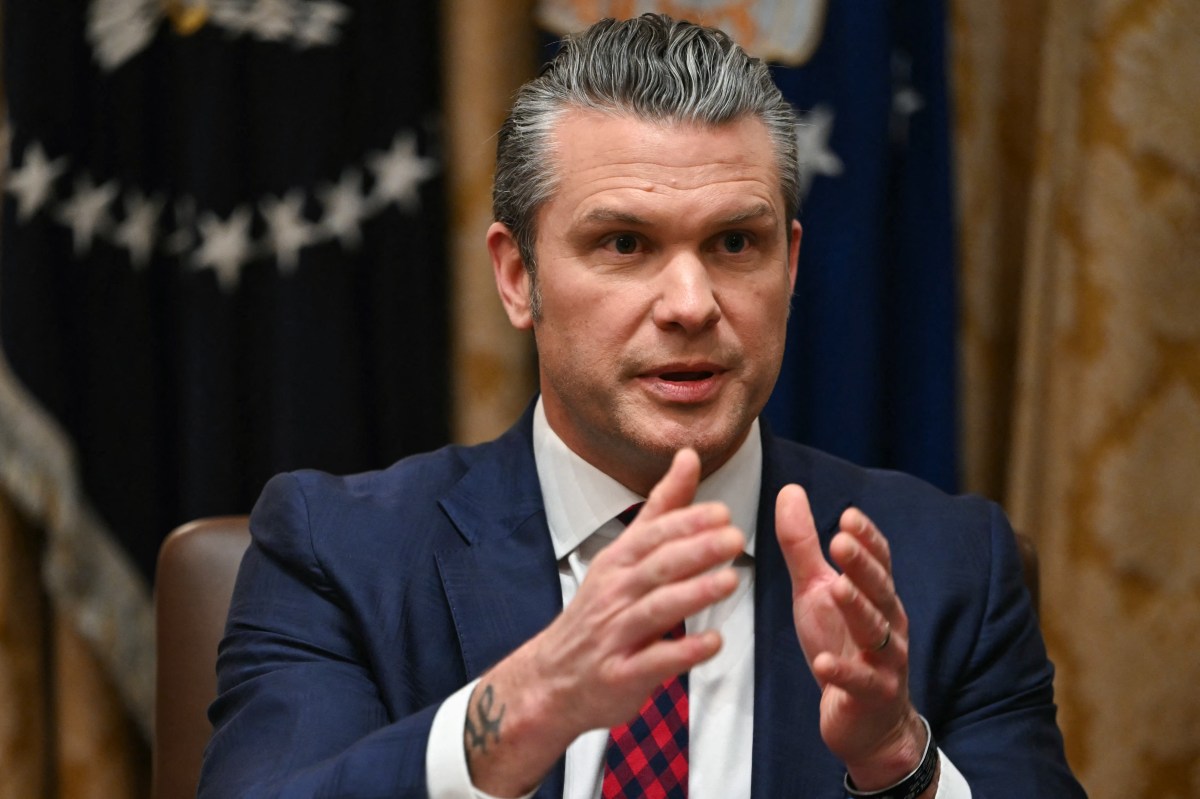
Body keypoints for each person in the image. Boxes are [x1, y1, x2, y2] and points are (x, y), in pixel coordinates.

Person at [199, 13, 1084, 799]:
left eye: (735, 242)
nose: (692, 304)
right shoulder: (341, 554)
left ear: (791, 265)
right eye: (624, 243)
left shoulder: (950, 569)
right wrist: (522, 706)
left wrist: (899, 761)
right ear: (517, 277)